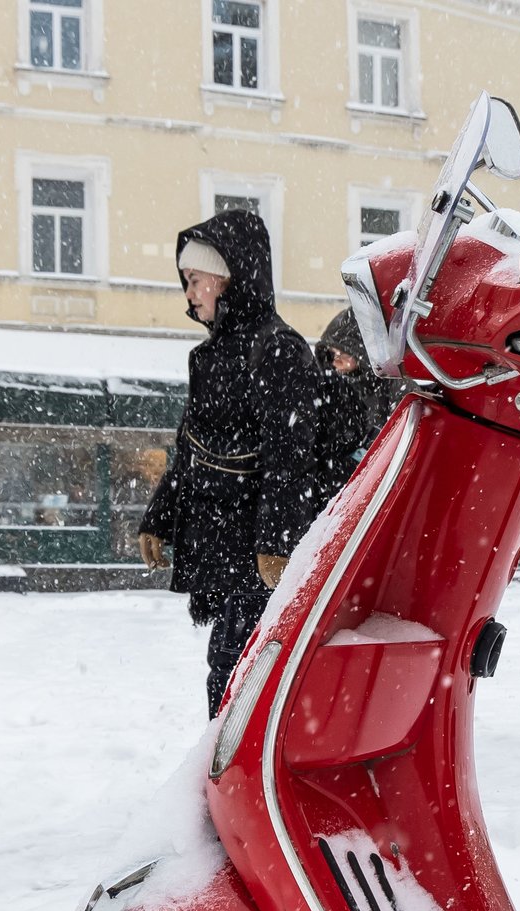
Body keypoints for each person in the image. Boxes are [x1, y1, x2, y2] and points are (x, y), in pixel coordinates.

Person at [138, 209, 319, 719]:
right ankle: (226, 762)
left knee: (240, 672)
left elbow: (290, 459)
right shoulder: (210, 356)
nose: (189, 294)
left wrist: (275, 544)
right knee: (229, 669)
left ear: (227, 277)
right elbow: (191, 448)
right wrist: (160, 515)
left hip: (254, 553)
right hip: (223, 546)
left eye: (195, 280)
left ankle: (233, 763)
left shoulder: (277, 349)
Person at [310, 307, 404, 508]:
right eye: (331, 353)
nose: (336, 360)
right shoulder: (326, 388)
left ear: (364, 353)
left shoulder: (391, 389)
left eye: (343, 353)